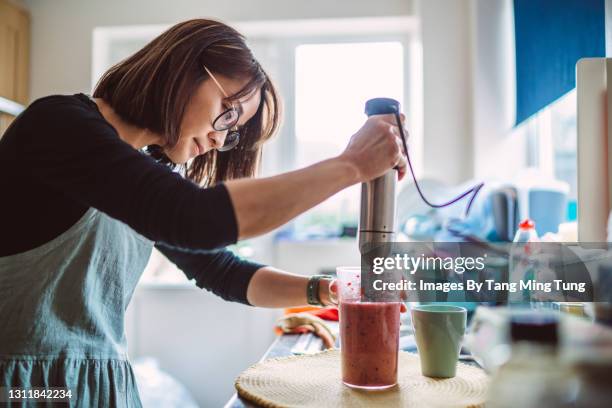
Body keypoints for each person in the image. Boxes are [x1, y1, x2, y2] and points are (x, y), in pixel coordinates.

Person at [0, 19, 407, 407]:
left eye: (232, 131)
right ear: (183, 70)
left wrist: (326, 291)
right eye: (227, 111)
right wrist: (351, 165)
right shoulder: (57, 124)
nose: (219, 137)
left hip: (98, 385)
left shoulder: (144, 173)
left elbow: (222, 271)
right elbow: (196, 218)